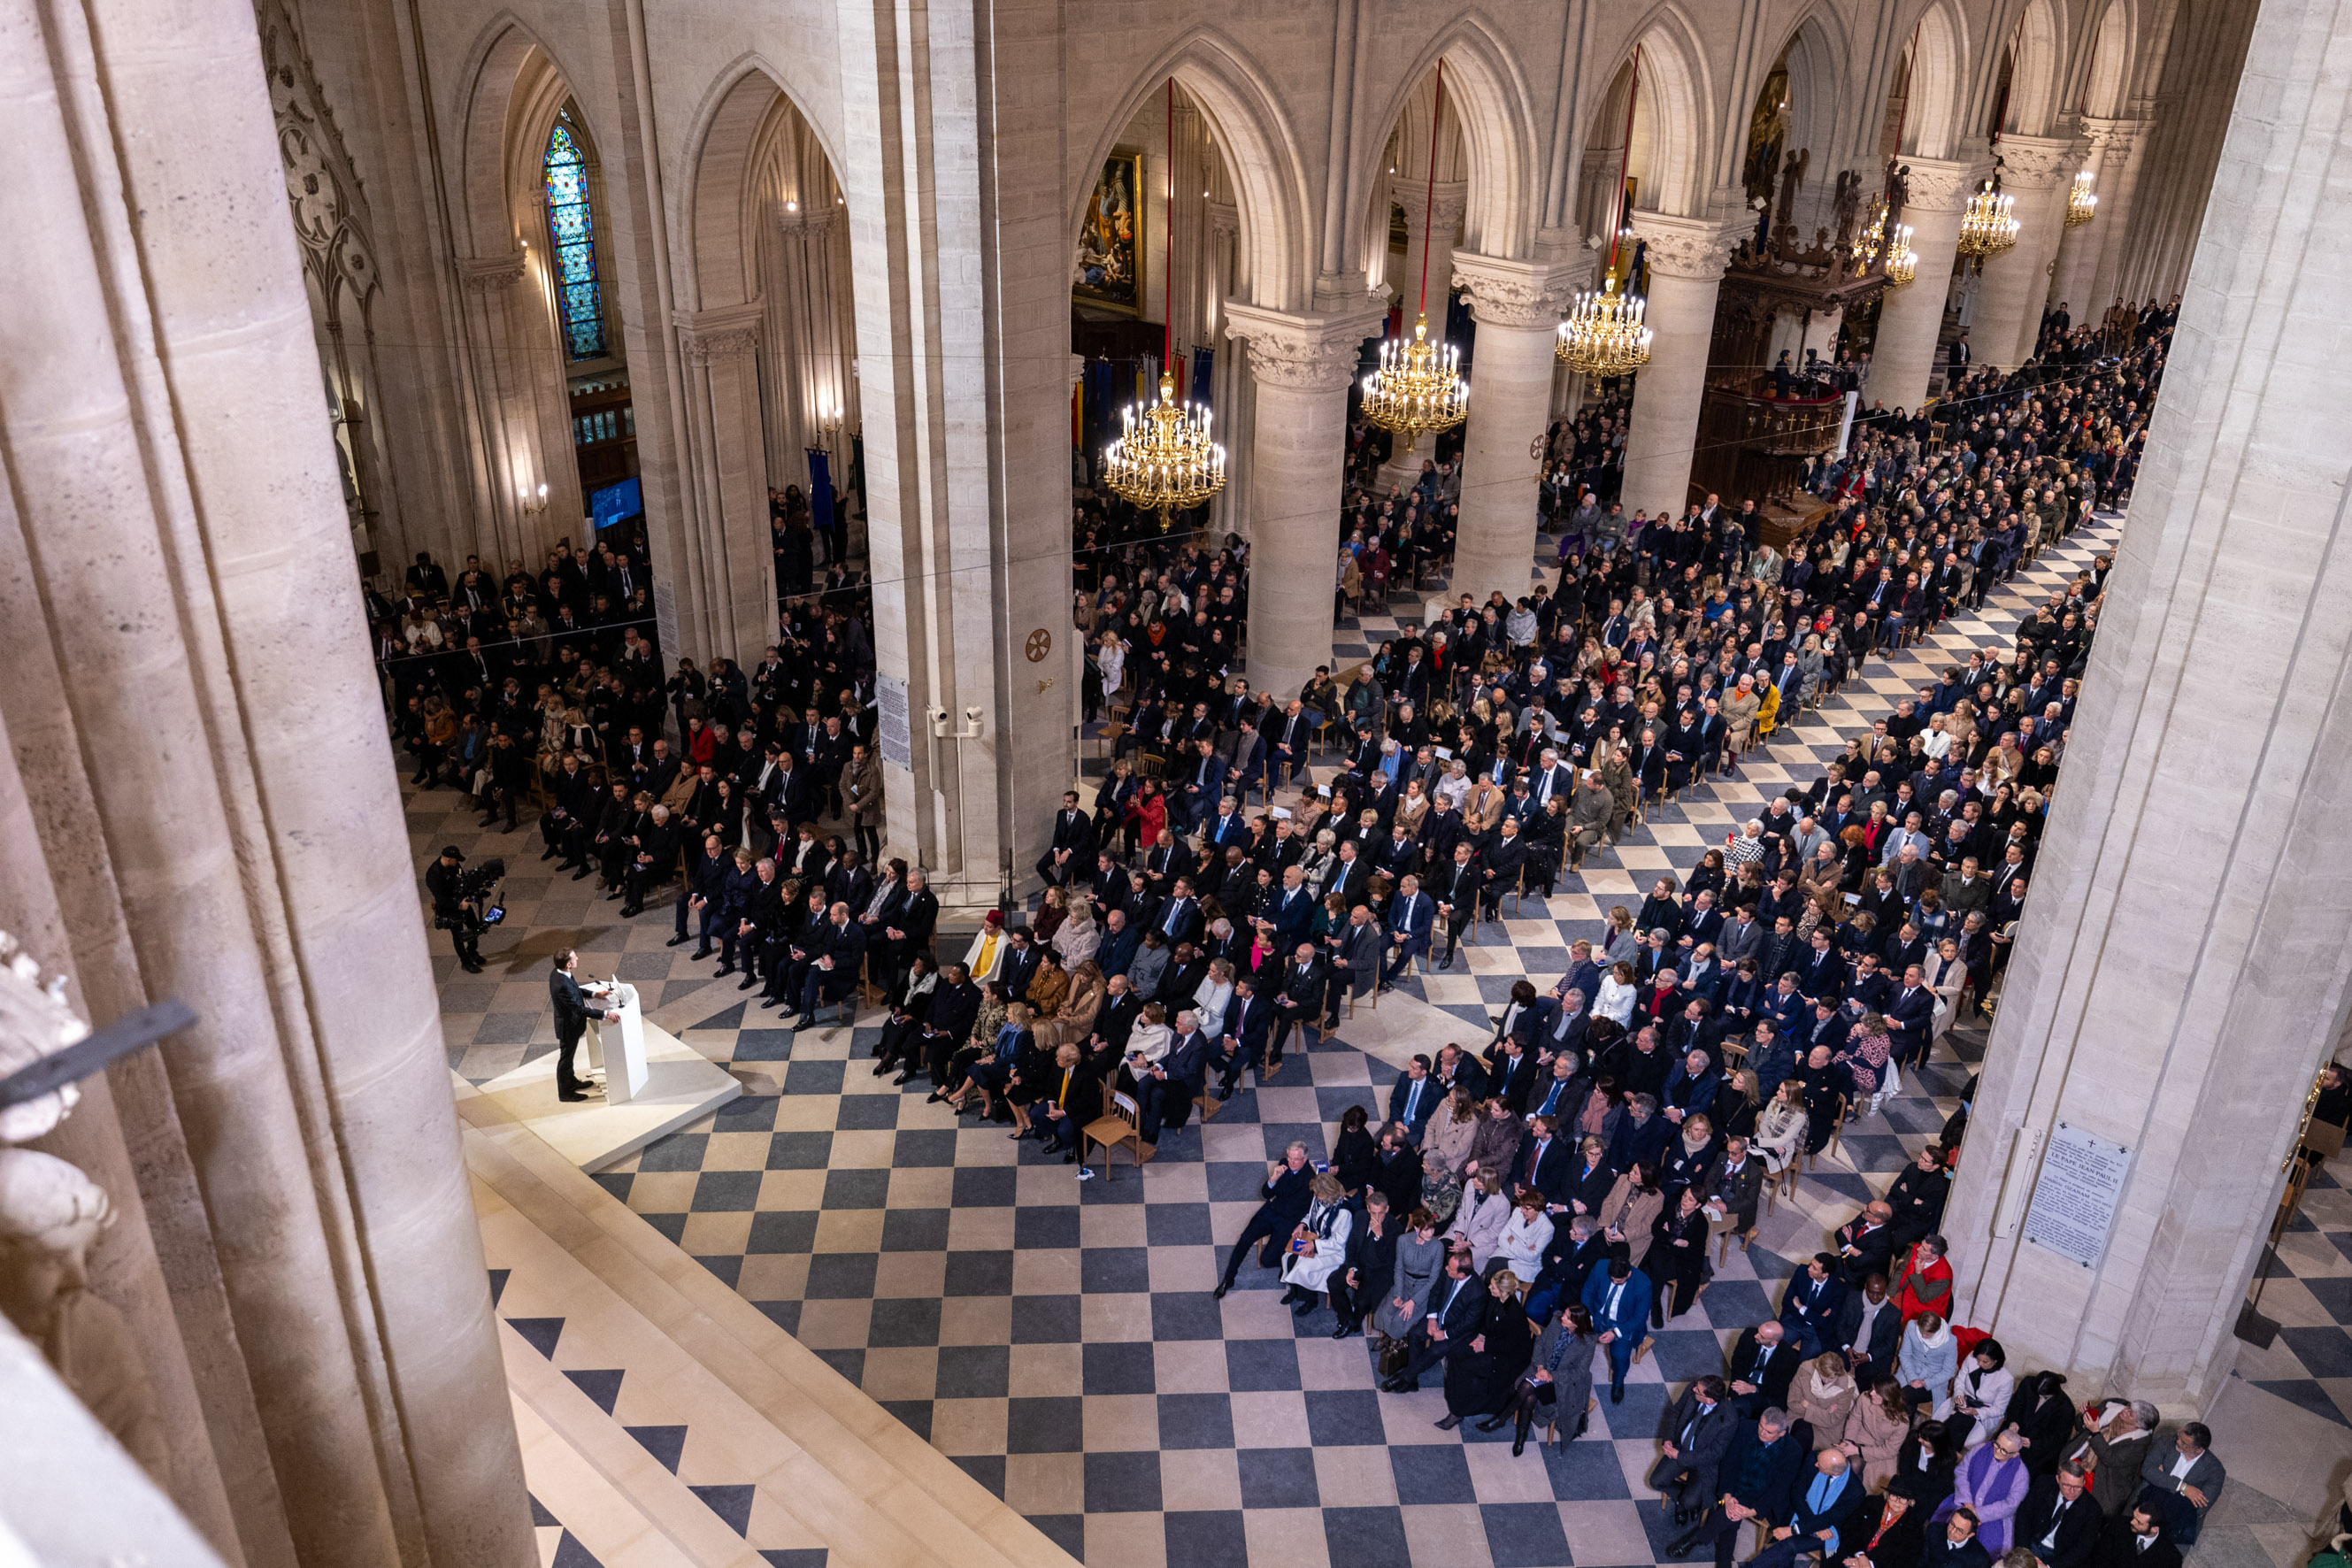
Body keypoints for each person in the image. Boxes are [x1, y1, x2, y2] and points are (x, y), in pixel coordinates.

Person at [1663, 1406, 1803, 1564]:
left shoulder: (1792, 1451)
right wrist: (1727, 1495)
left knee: (1731, 1513)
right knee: (1731, 1515)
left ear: (1782, 1433)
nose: (1762, 1433)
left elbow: (1779, 1489)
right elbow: (1730, 1462)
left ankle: (1696, 1539)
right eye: (1761, 1426)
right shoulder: (1746, 1428)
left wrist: (1752, 1511)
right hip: (1736, 1485)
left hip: (1762, 1497)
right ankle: (1719, 1560)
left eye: (1768, 1432)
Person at [1493, 1301, 1596, 1456]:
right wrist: (1541, 1366)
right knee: (1529, 1396)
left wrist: (1551, 1375)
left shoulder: (1588, 1342)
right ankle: (1520, 1437)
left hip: (1563, 1384)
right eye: (1565, 1313)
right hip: (1541, 1370)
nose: (1563, 1318)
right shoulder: (1556, 1321)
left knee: (1527, 1389)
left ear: (1577, 1324)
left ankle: (1505, 1420)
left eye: (1568, 1318)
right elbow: (1540, 1342)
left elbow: (1579, 1372)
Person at [1213, 1142, 1315, 1297]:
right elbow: (1266, 1194)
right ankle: (1228, 1279)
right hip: (1271, 1212)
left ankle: (1288, 1263)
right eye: (1289, 1158)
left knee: (1266, 1261)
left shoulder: (1310, 1179)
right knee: (1245, 1239)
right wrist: (1274, 1178)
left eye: (1296, 1160)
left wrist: (1280, 1201)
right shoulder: (1283, 1165)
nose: (1291, 1162)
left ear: (1305, 1159)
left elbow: (1301, 1208)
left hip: (1288, 1221)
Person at [1438, 1268, 1534, 1431]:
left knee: (1464, 1366)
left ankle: (1458, 1411)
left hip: (1507, 1359)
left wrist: (1484, 1345)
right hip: (1493, 1344)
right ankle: (1455, 1402)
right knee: (1454, 1353)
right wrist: (1481, 1336)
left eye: (1493, 1287)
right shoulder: (1496, 1299)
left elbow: (1509, 1346)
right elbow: (1486, 1320)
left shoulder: (1514, 1315)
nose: (1489, 1288)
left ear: (1504, 1292)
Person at [1652, 1374, 1740, 1521]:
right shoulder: (1693, 1389)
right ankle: (1683, 1501)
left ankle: (1686, 1504)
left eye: (1698, 1390)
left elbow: (1714, 1453)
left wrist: (1679, 1456)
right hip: (1681, 1448)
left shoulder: (1729, 1419)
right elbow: (1676, 1412)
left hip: (1703, 1464)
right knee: (1656, 1481)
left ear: (1709, 1399)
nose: (1693, 1389)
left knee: (1690, 1501)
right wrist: (1668, 1438)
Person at [548, 949, 619, 1103]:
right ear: (568, 964)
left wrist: (595, 994)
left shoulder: (559, 973)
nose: (577, 958)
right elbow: (578, 1009)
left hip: (571, 1024)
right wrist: (605, 1014)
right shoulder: (561, 985)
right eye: (575, 958)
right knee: (566, 1059)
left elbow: (574, 990)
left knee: (569, 1057)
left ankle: (571, 1081)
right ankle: (565, 1093)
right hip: (568, 1027)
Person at [1581, 1254, 1654, 1403]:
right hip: (1597, 1315)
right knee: (1575, 1339)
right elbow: (1587, 1292)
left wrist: (1615, 1333)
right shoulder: (1600, 1266)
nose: (1614, 1282)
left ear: (1629, 1274)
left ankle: (1618, 1382)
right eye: (1612, 1279)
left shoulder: (1643, 1284)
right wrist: (1589, 1317)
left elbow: (1639, 1319)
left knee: (1620, 1356)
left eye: (1619, 1281)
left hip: (1623, 1324)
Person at [2136, 1421, 2223, 1545]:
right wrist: (2183, 1488)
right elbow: (2147, 1470)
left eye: (2184, 1443)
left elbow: (2199, 1507)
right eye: (2179, 1436)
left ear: (2198, 1450)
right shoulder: (2166, 1441)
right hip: (2147, 1500)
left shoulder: (2216, 1470)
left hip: (2177, 1521)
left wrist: (2162, 1479)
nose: (2178, 1442)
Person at [2012, 1463, 2102, 1568]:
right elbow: (2024, 1517)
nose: (2072, 1491)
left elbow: (2081, 1549)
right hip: (2031, 1544)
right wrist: (2024, 1553)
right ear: (2058, 1479)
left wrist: (2050, 1567)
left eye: (2078, 1487)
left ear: (2084, 1482)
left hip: (2059, 1557)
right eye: (2067, 1485)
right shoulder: (2044, 1484)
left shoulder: (2093, 1510)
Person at [424, 844, 484, 973]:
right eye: (456, 859)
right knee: (458, 936)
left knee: (475, 927)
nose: (457, 863)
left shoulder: (454, 865)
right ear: (449, 859)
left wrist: (469, 893)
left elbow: (462, 879)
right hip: (449, 909)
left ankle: (472, 951)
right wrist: (458, 905)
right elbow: (441, 899)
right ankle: (466, 962)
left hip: (463, 902)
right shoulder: (433, 875)